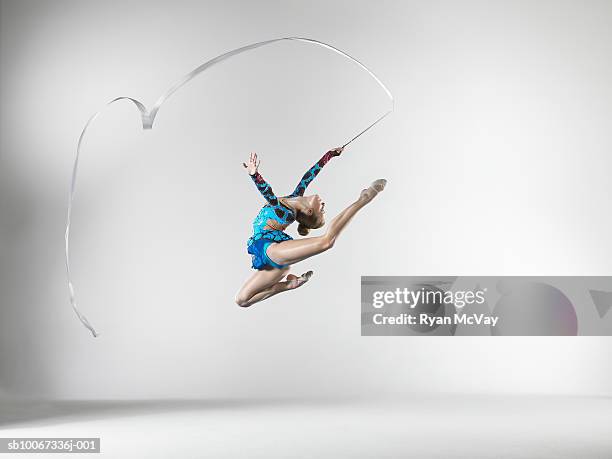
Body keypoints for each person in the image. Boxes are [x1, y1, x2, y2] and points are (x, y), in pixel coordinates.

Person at [235, 147, 386, 307]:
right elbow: (309, 175)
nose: (324, 205)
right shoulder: (295, 197)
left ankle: (365, 197)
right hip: (275, 261)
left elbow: (268, 193)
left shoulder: (284, 212)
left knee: (327, 242)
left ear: (309, 211)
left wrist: (254, 175)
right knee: (242, 300)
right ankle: (289, 285)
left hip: (270, 249)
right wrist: (330, 155)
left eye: (321, 210)